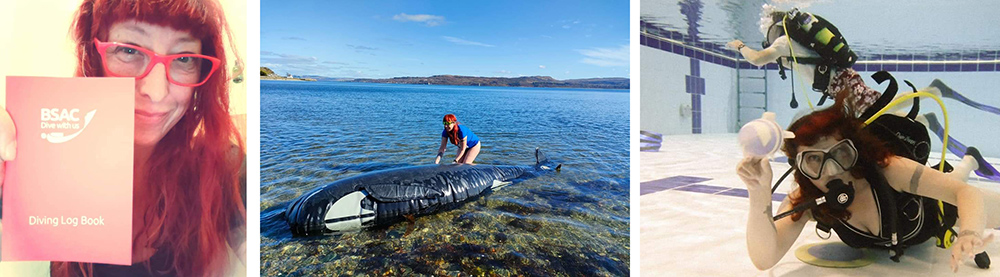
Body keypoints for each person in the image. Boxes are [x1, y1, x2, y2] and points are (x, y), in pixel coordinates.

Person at [0, 0, 246, 276]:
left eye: (184, 58)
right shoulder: (33, 159)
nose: (155, 91)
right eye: (129, 51)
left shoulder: (223, 166)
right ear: (93, 55)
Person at [736, 92, 998, 272]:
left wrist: (969, 233)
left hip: (938, 214)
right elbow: (764, 258)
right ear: (800, 168)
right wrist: (758, 194)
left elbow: (965, 193)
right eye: (813, 161)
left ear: (856, 151)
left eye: (840, 154)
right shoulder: (807, 199)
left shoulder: (890, 170)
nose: (830, 172)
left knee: (956, 180)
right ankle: (969, 162)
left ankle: (969, 162)